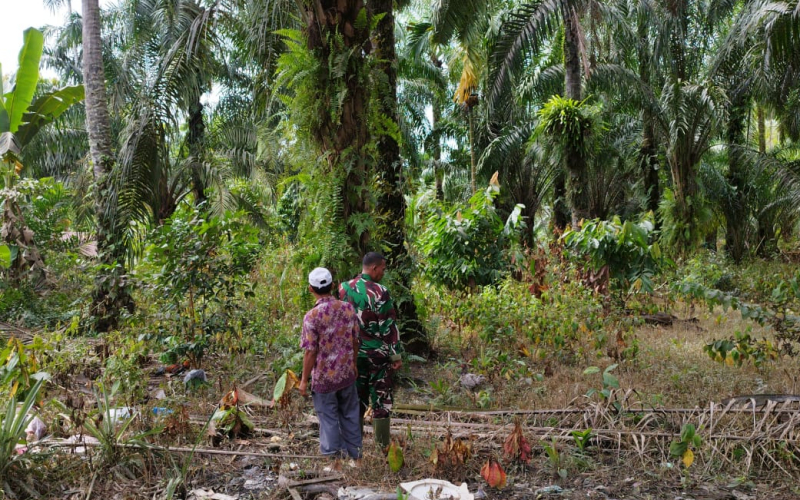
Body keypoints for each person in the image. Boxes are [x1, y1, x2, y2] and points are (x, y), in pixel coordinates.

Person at [339, 252, 402, 450]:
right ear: (374, 268)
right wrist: (395, 355)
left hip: (353, 356)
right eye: (382, 269)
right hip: (378, 356)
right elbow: (388, 326)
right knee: (381, 401)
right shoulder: (380, 291)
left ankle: (354, 448)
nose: (383, 273)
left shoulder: (343, 288)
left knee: (356, 400)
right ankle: (383, 447)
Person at [299, 267, 362, 462]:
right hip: (346, 374)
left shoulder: (312, 316)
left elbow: (310, 352)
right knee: (350, 415)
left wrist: (303, 380)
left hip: (325, 380)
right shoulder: (347, 308)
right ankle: (356, 459)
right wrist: (353, 363)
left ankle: (335, 464)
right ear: (333, 285)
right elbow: (355, 340)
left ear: (311, 289)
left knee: (328, 420)